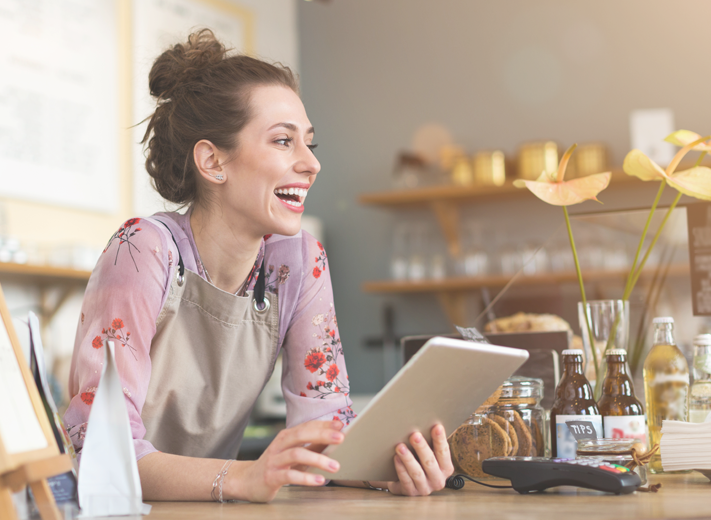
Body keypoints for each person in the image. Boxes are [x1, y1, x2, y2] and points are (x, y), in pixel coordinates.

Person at [63, 29, 452, 503]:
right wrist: (242, 478)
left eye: (309, 143)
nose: (311, 164)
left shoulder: (299, 261)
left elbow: (322, 428)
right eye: (283, 141)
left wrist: (381, 470)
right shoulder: (142, 250)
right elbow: (103, 450)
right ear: (212, 161)